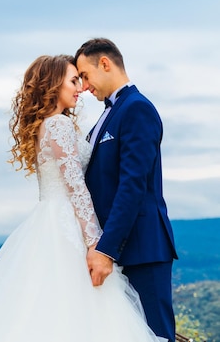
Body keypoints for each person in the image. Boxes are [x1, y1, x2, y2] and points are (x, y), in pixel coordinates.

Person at [0, 55, 161, 342]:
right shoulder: (58, 125)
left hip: (49, 220)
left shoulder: (48, 124)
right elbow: (76, 187)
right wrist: (96, 242)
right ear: (53, 83)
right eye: (74, 80)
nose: (81, 88)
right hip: (66, 225)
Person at [75, 38, 178, 342]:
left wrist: (107, 249)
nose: (83, 86)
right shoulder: (109, 113)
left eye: (84, 75)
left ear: (104, 63)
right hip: (117, 248)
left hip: (142, 248)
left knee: (155, 335)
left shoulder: (137, 109)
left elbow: (133, 184)